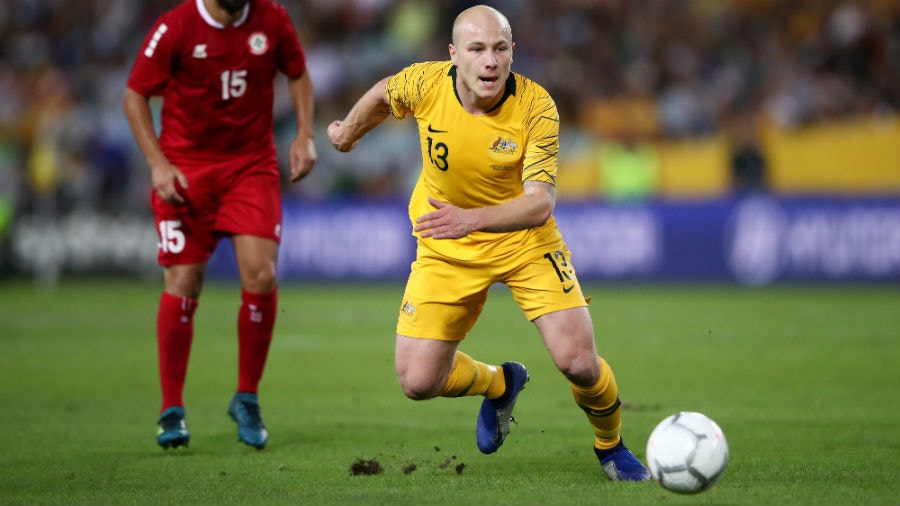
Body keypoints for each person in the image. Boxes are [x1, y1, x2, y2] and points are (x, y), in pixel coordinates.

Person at [327, 5, 650, 481]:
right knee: (417, 382)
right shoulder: (426, 83)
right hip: (446, 243)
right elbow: (382, 95)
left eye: (500, 49)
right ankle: (500, 384)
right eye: (477, 49)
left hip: (524, 241)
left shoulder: (537, 107)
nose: (490, 61)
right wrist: (347, 132)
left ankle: (611, 446)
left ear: (513, 52)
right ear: (454, 54)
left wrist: (471, 219)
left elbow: (540, 204)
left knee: (578, 362)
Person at [122, 0, 316, 450]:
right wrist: (157, 163)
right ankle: (172, 409)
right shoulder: (175, 27)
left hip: (250, 166)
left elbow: (299, 73)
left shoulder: (272, 18)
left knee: (262, 275)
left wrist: (304, 133)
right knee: (184, 280)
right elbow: (134, 94)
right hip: (186, 168)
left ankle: (246, 396)